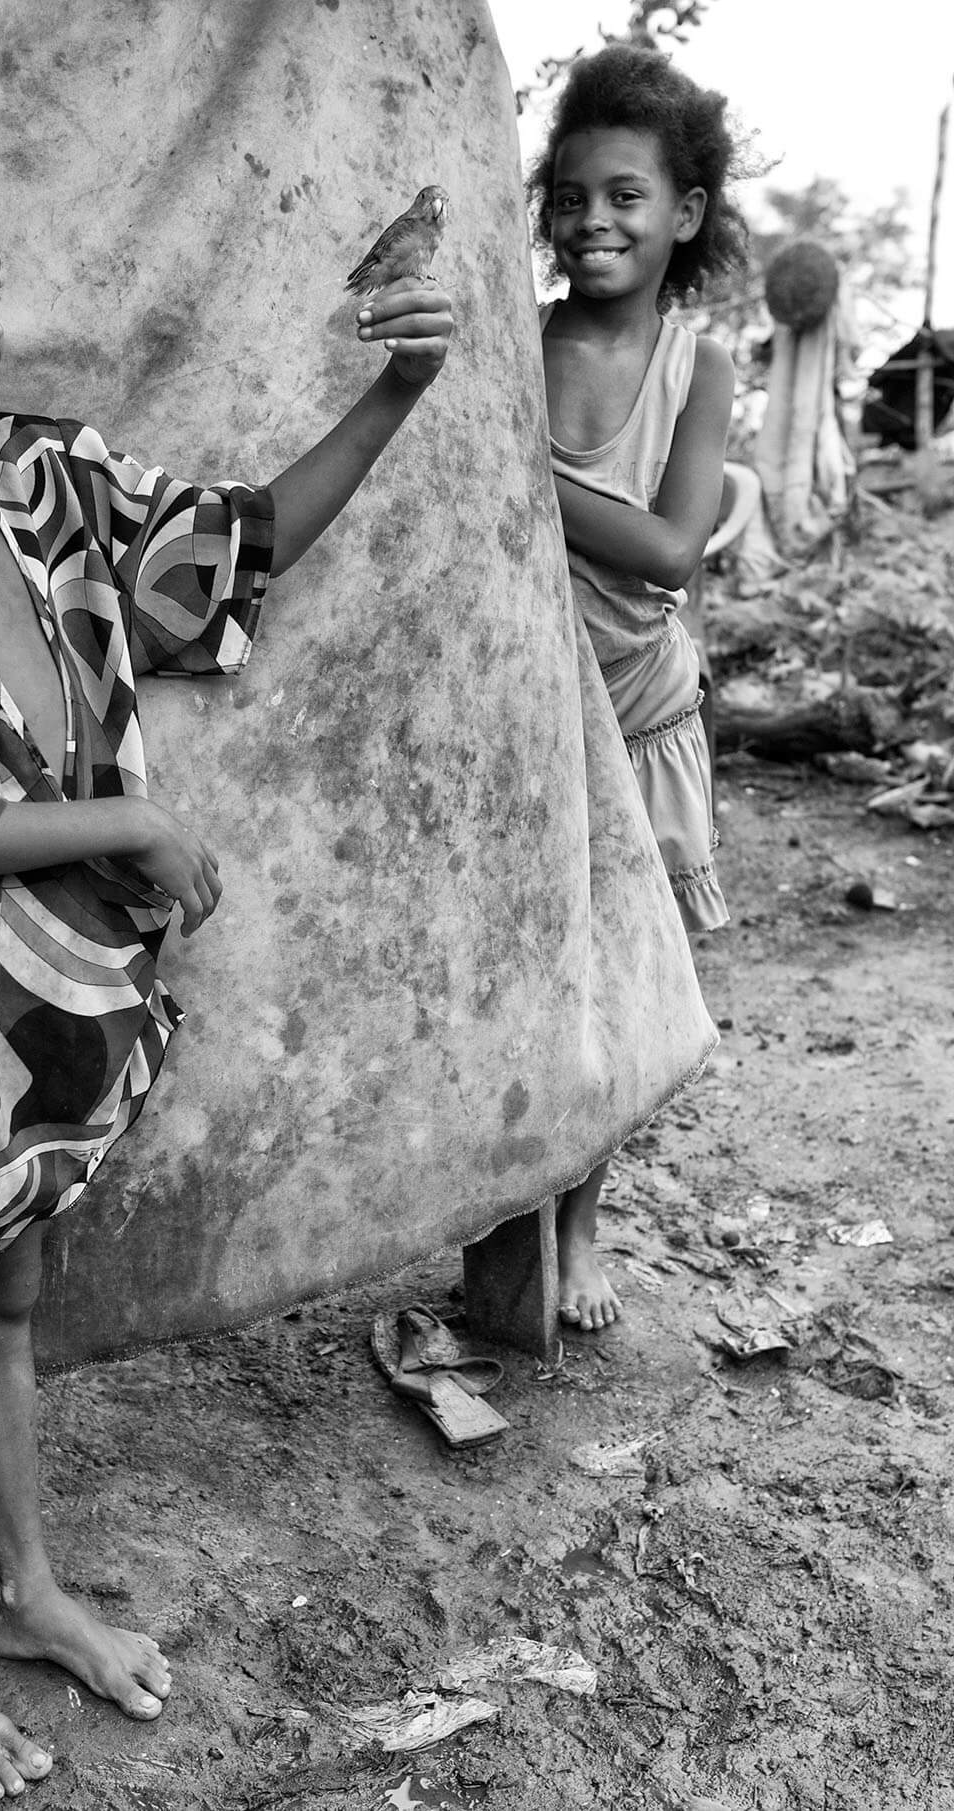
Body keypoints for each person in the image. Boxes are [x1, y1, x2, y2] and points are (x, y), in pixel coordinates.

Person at [0, 103, 453, 1807]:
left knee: (9, 1297)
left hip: (65, 1016)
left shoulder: (39, 480)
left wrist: (396, 390)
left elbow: (238, 545)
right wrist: (129, 830)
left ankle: (22, 1588)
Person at [527, 44, 746, 1330]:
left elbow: (669, 547)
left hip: (642, 714)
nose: (594, 220)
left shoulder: (696, 364)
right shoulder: (525, 338)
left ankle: (585, 1222)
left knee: (616, 981)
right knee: (537, 974)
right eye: (570, 196)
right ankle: (518, 1209)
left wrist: (514, 462)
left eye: (626, 195)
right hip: (537, 711)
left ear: (685, 215)